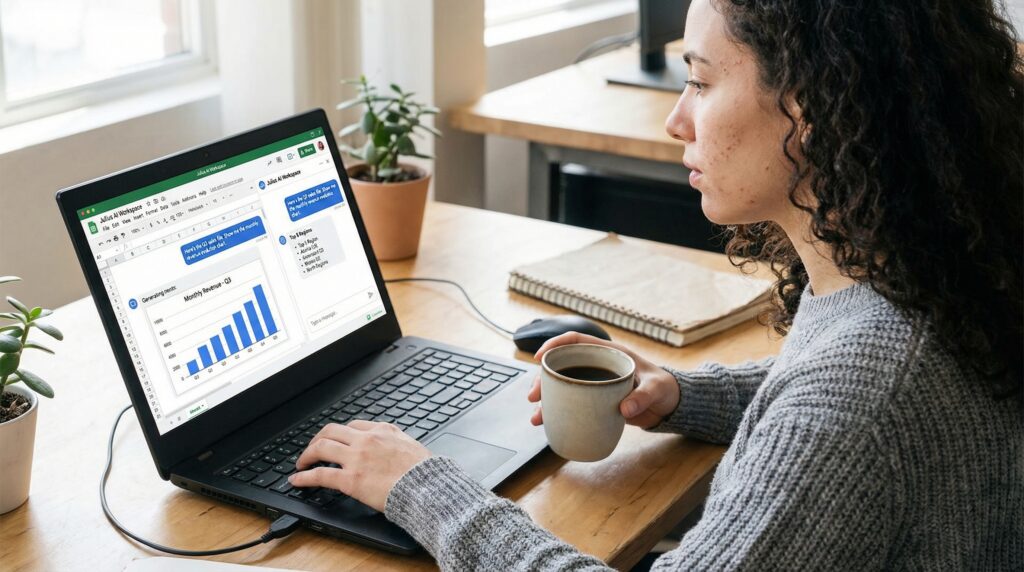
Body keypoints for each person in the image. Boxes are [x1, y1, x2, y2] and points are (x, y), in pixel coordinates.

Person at [288, 0, 1024, 568]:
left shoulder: (857, 400)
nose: (676, 119)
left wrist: (423, 487)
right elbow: (834, 396)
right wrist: (686, 394)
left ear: (817, 106)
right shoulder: (933, 277)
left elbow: (842, 413)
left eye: (700, 81)